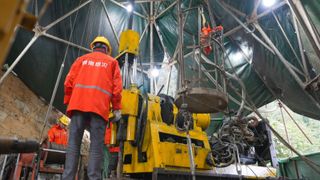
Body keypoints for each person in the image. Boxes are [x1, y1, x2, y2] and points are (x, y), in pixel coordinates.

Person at [62, 36, 122, 180]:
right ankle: (94, 178)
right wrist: (117, 108)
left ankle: (67, 177)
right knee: (96, 146)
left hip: (78, 105)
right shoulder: (112, 62)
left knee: (73, 144)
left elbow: (68, 83)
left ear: (93, 46)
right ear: (107, 49)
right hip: (99, 108)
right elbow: (117, 89)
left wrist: (70, 102)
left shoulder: (81, 60)